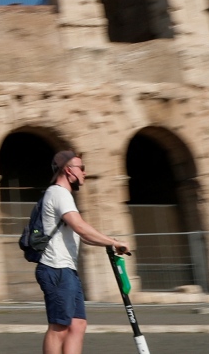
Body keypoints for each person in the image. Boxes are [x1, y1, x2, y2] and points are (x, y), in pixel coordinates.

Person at [37, 150, 130, 354]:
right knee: (59, 327)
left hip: (67, 270)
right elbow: (79, 226)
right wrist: (113, 241)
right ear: (69, 170)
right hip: (56, 268)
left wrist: (108, 244)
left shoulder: (64, 195)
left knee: (78, 324)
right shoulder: (58, 193)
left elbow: (83, 235)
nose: (85, 173)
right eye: (82, 168)